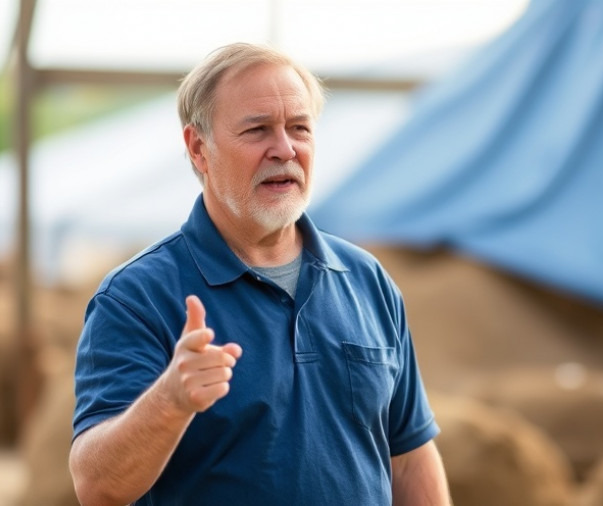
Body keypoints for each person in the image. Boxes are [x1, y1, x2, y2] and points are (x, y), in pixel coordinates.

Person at [68, 42, 451, 506]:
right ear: (198, 148)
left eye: (300, 128)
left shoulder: (367, 281)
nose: (285, 149)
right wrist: (170, 401)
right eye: (258, 130)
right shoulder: (137, 297)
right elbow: (96, 487)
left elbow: (408, 455)